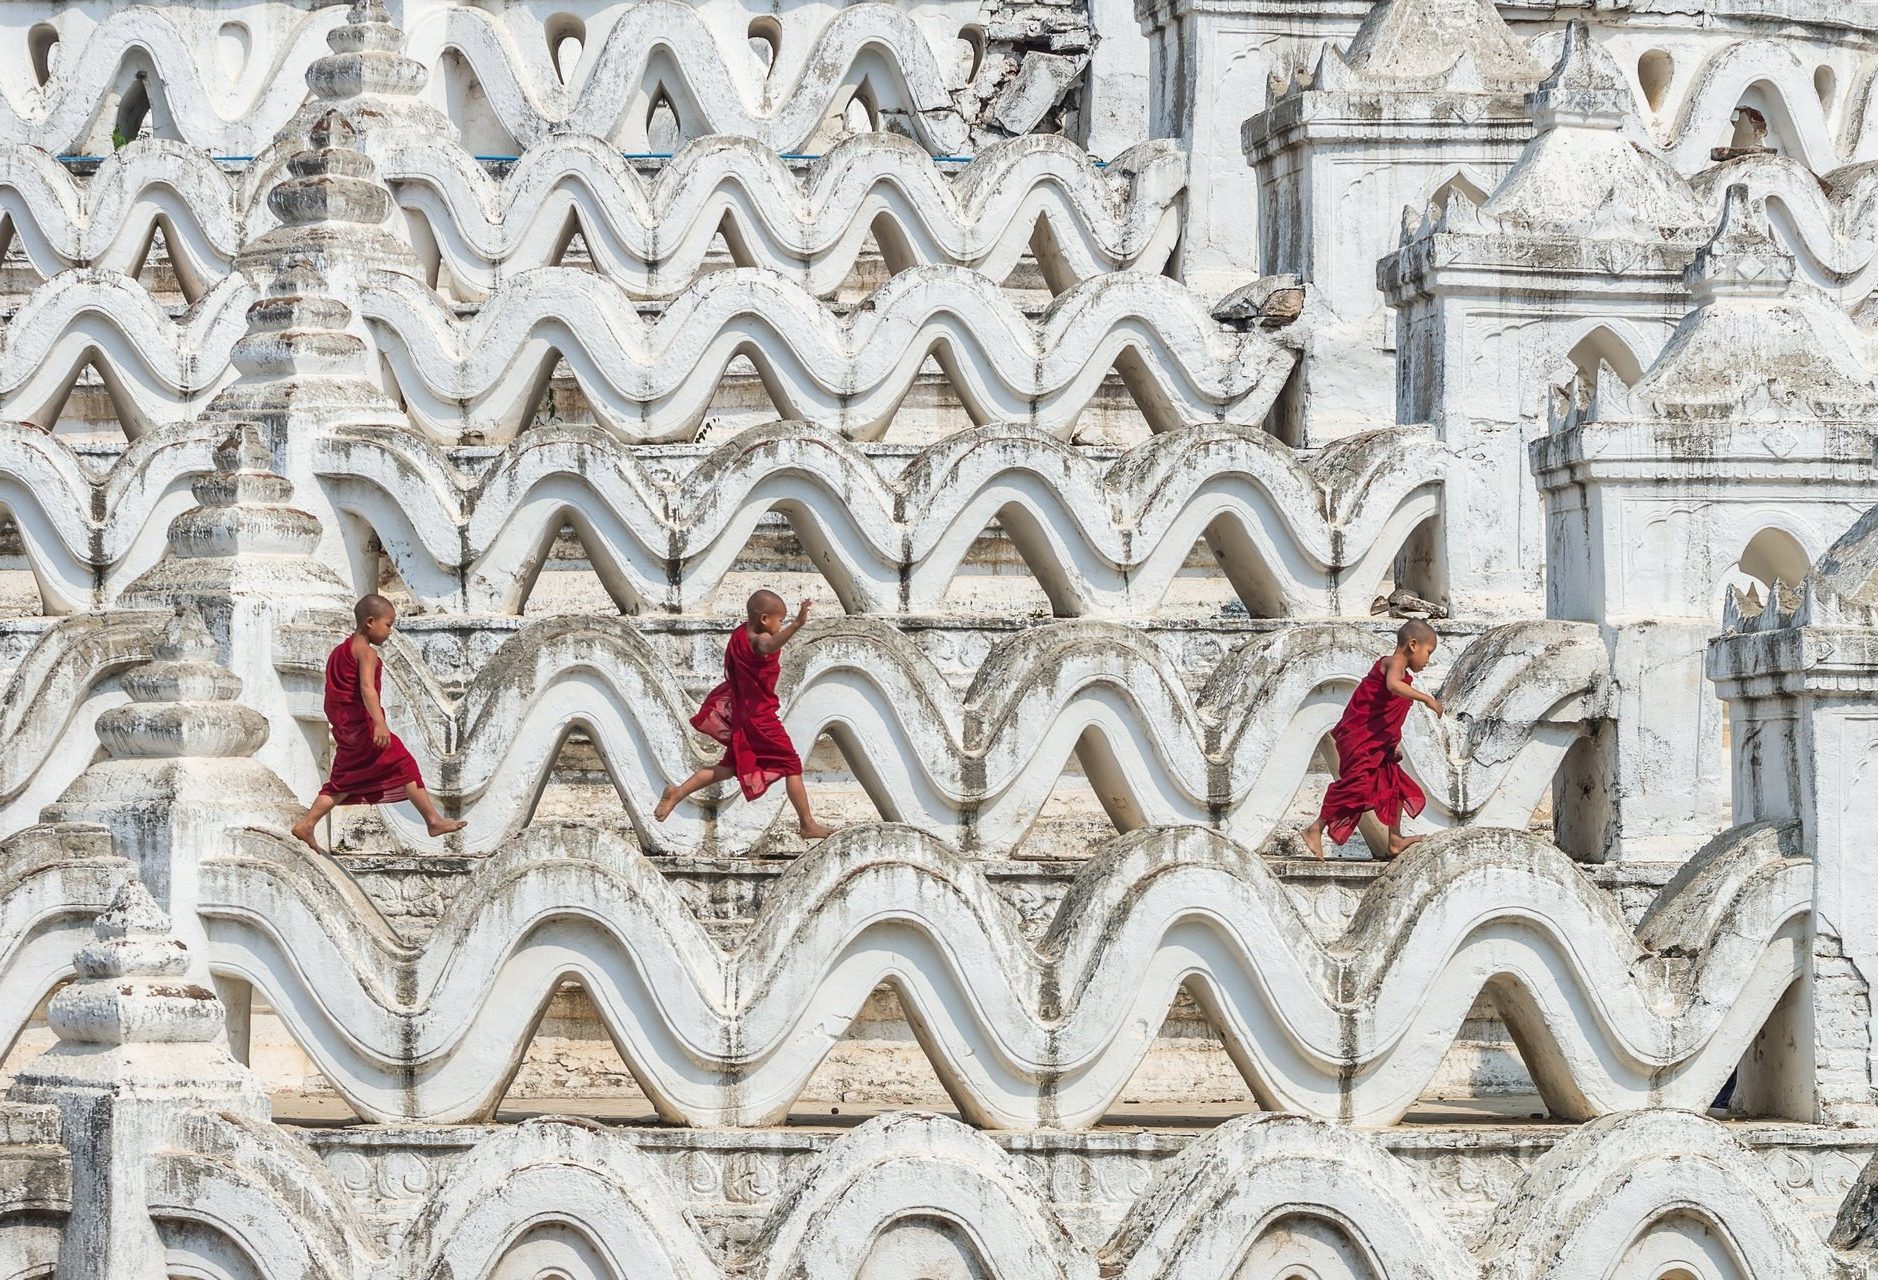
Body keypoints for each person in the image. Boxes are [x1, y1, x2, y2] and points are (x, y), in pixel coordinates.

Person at [291, 595, 467, 853]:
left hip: (345, 727)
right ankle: (433, 820)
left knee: (343, 781)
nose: (390, 631)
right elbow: (366, 689)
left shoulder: (340, 651)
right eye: (388, 624)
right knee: (404, 763)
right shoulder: (366, 653)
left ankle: (307, 823)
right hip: (364, 726)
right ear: (370, 622)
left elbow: (333, 694)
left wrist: (343, 724)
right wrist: (379, 723)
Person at [656, 590, 834, 840]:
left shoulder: (741, 633)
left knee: (728, 767)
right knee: (792, 765)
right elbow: (768, 645)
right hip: (760, 718)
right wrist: (796, 624)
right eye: (778, 620)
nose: (779, 625)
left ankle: (677, 792)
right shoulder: (759, 639)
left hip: (742, 715)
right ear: (764, 619)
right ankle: (807, 824)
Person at [1299, 618, 1443, 860]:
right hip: (1360, 739)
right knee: (1356, 786)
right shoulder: (1393, 663)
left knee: (1396, 786)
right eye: (1428, 653)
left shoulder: (1402, 671)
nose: (1428, 661)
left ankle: (1395, 840)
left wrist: (1392, 743)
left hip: (1376, 744)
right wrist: (1426, 699)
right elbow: (1393, 686)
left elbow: (1388, 713)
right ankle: (1315, 828)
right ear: (1413, 645)